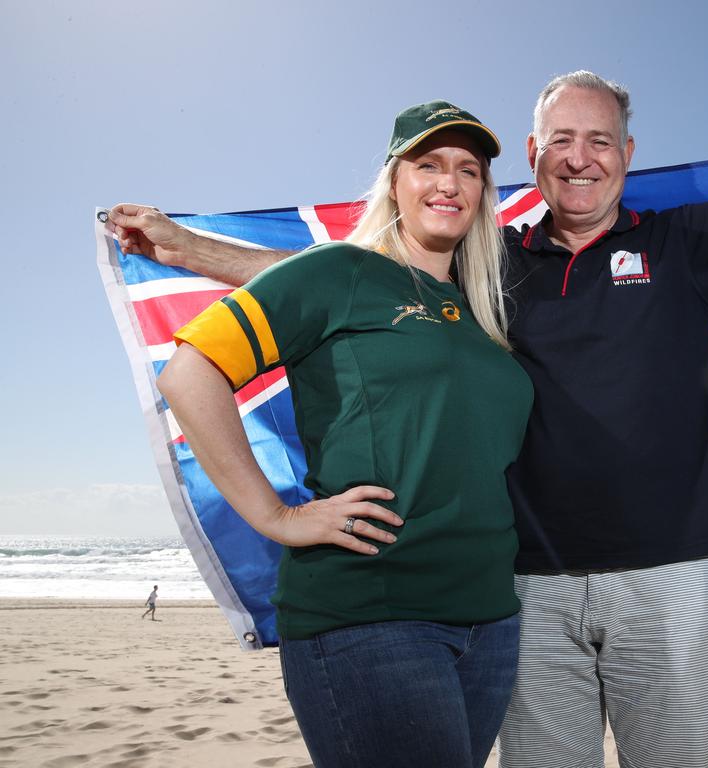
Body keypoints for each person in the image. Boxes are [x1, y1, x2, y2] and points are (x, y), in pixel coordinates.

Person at [108, 74, 708, 768]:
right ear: (539, 158)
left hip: (668, 583)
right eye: (560, 141)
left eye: (600, 139)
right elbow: (341, 283)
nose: (580, 157)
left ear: (627, 150)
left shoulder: (687, 243)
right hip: (520, 596)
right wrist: (192, 250)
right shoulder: (486, 268)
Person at [150, 101, 534, 768]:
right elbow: (190, 375)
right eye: (429, 164)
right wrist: (278, 515)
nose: (450, 183)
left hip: (490, 622)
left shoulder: (484, 311)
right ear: (394, 181)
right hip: (371, 617)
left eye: (468, 170)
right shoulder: (337, 271)